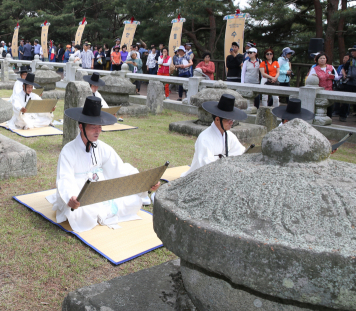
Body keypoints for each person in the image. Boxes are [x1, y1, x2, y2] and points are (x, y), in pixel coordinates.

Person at [47, 96, 159, 232]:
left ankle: (103, 212)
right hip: (78, 194)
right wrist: (70, 198)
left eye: (99, 127)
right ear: (81, 127)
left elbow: (120, 169)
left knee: (135, 201)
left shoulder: (103, 148)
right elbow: (65, 179)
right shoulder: (68, 151)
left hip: (101, 193)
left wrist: (145, 182)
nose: (98, 131)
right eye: (93, 127)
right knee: (80, 211)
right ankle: (95, 211)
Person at [182, 94, 247, 177]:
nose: (232, 123)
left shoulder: (230, 136)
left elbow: (240, 152)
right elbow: (205, 165)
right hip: (202, 176)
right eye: (229, 120)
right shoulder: (205, 138)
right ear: (217, 119)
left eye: (233, 120)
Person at [308, 52, 336, 117]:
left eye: (324, 58)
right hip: (320, 90)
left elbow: (337, 77)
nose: (322, 60)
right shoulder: (314, 69)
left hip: (330, 89)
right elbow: (309, 78)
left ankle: (329, 119)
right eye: (320, 58)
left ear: (326, 59)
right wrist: (314, 76)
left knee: (329, 107)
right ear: (317, 60)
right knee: (320, 107)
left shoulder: (331, 67)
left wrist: (333, 76)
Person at [339, 47, 356, 121]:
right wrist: (345, 75)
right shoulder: (351, 60)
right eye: (351, 51)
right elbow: (343, 68)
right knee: (346, 100)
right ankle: (343, 116)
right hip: (349, 82)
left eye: (354, 51)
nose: (352, 53)